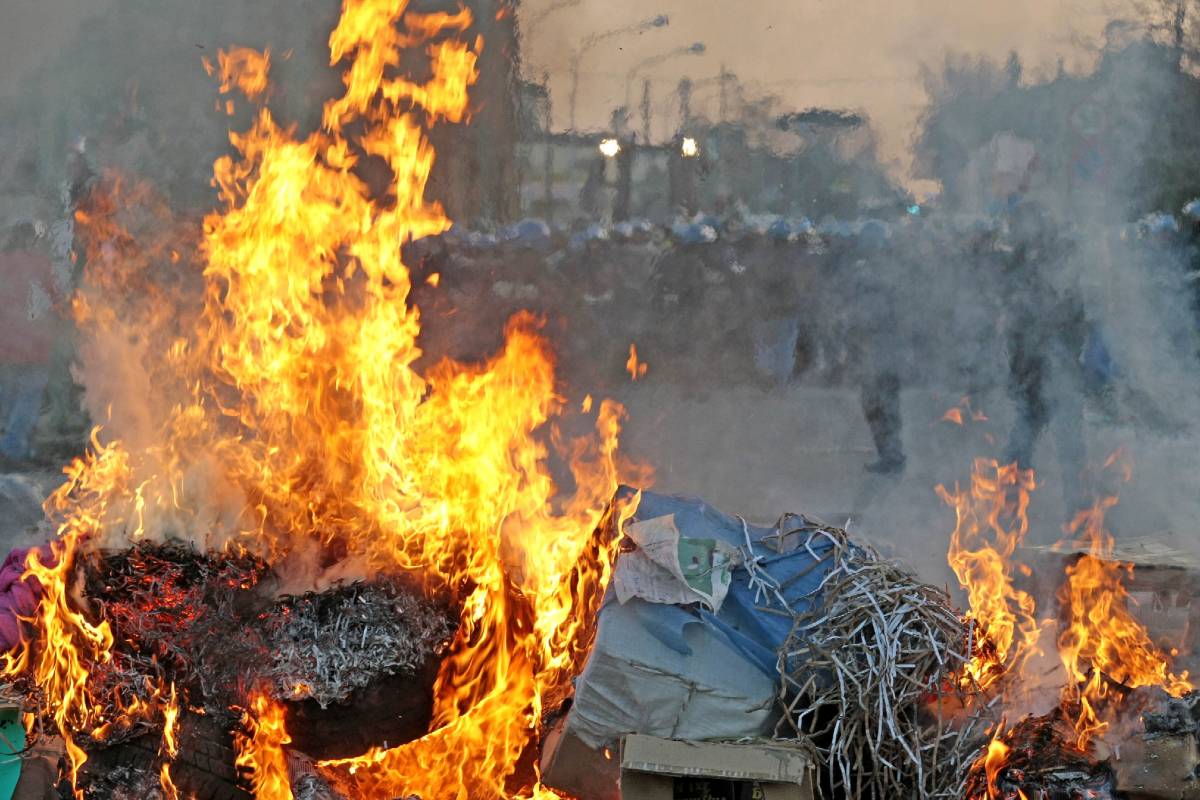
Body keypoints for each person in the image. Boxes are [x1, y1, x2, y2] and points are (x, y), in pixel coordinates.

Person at [0, 220, 62, 467]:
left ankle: (8, 444)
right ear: (31, 239)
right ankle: (13, 449)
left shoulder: (2, 262)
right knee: (29, 395)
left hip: (4, 343)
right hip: (33, 344)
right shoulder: (39, 264)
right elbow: (54, 299)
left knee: (6, 394)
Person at [847, 220, 907, 475]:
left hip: (881, 350)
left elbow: (875, 314)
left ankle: (892, 454)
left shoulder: (882, 272)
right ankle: (889, 452)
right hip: (876, 351)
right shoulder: (876, 270)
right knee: (876, 405)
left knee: (882, 405)